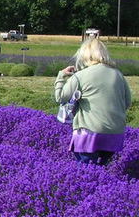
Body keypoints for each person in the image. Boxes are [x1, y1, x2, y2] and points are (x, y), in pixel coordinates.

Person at [54, 37, 132, 166]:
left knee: (86, 170)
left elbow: (60, 97)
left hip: (89, 134)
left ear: (85, 55)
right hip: (115, 134)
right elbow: (127, 102)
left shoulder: (80, 76)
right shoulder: (118, 74)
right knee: (101, 170)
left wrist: (61, 76)